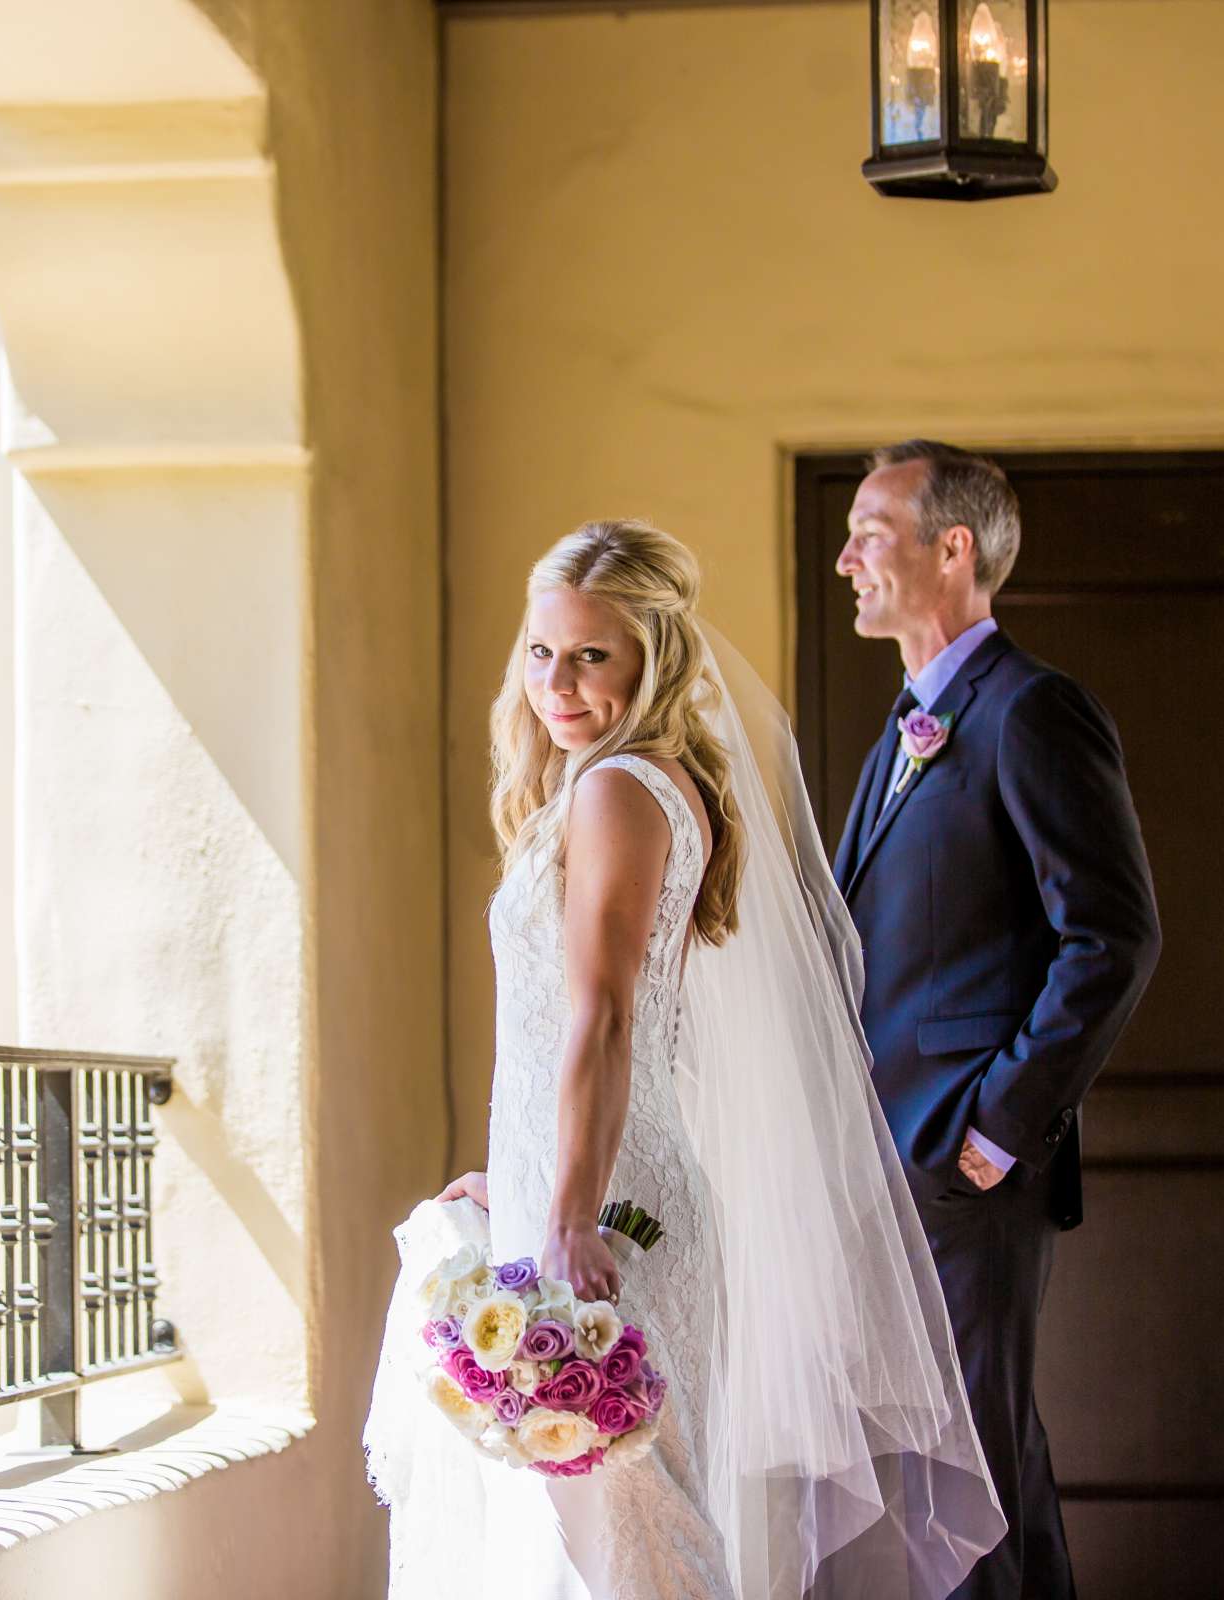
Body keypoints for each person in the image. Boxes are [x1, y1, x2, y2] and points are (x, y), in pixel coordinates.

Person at [367, 520, 1003, 1600]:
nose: (555, 684)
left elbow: (604, 1018)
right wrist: (515, 1171)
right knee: (593, 1528)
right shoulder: (617, 785)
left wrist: (567, 1213)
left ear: (651, 657)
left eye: (590, 656)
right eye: (539, 651)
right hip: (581, 1183)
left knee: (631, 1529)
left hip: (612, 1216)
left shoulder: (619, 790)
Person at [832, 442, 1161, 1600]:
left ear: (952, 548)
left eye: (871, 530)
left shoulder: (1031, 710)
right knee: (979, 1473)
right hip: (891, 1165)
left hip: (966, 1167)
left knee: (957, 1481)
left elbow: (1111, 938)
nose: (846, 559)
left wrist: (998, 1127)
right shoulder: (903, 733)